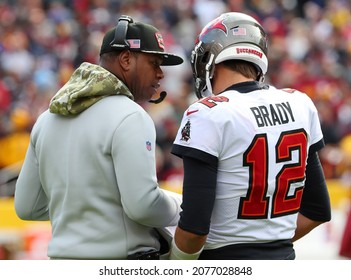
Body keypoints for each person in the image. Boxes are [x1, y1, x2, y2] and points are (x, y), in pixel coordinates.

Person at [14, 15, 183, 260]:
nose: (160, 74)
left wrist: (86, 210)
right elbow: (143, 206)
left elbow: (27, 206)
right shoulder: (131, 115)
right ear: (126, 59)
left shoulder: (47, 118)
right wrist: (183, 206)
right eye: (154, 63)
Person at [169, 12, 331, 260]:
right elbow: (317, 210)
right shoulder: (299, 102)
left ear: (210, 60)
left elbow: (194, 229)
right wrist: (266, 245)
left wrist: (174, 265)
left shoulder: (207, 112)